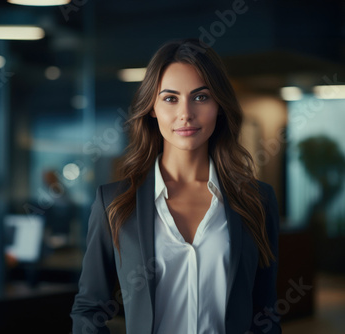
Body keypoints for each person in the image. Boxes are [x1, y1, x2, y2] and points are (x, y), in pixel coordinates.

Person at [70, 39, 281, 334]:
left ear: (219, 105)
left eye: (201, 97)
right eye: (170, 98)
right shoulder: (115, 202)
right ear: (152, 108)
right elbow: (89, 309)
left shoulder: (257, 200)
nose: (186, 113)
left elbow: (265, 312)